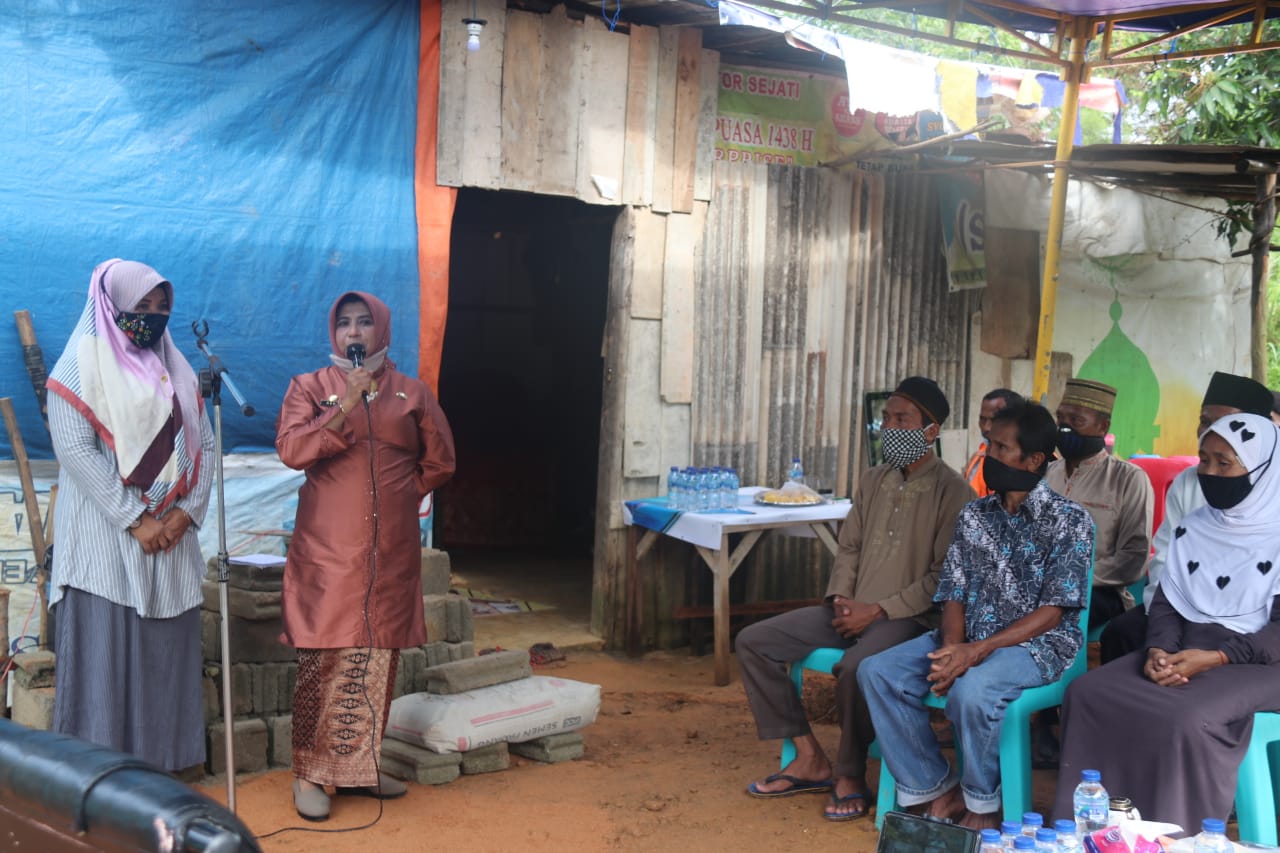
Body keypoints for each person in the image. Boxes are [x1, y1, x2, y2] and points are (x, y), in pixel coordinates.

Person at [738, 377, 973, 822]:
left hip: (909, 619)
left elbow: (943, 577)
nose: (889, 426)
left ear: (931, 430)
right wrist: (842, 598)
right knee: (754, 641)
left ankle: (849, 773)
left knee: (856, 668)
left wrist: (879, 611)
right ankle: (809, 757)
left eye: (902, 418)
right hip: (850, 609)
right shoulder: (872, 479)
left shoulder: (954, 491)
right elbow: (849, 546)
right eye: (887, 418)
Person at [859, 402, 1094, 831]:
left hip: (1036, 646)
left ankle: (983, 805)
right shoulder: (974, 515)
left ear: (1034, 459)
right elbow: (953, 592)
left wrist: (976, 651)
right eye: (989, 444)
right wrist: (952, 648)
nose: (989, 454)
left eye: (1001, 447)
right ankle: (935, 785)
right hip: (967, 637)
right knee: (878, 672)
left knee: (972, 690)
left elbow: (1053, 611)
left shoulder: (1070, 521)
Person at [1053, 413, 1280, 833]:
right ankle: (1097, 834)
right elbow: (1166, 603)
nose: (1208, 473)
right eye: (1204, 460)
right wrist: (1159, 648)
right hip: (1187, 648)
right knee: (1088, 694)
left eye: (1224, 463)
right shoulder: (1196, 526)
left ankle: (1174, 835)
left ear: (1264, 467)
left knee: (1187, 718)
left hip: (1262, 661)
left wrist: (1214, 658)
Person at [277, 292, 455, 821]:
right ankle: (309, 774)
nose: (353, 333)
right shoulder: (310, 388)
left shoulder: (411, 393)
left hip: (390, 550)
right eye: (344, 324)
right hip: (327, 552)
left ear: (381, 330)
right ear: (333, 333)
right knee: (323, 655)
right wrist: (349, 404)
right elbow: (292, 451)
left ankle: (360, 769)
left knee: (379, 654)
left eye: (363, 323)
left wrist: (402, 494)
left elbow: (441, 461)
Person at [45, 259, 214, 771]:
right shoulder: (78, 367)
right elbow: (76, 450)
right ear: (111, 304)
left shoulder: (175, 370)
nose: (153, 318)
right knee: (104, 670)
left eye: (162, 307)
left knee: (163, 665)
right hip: (106, 550)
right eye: (141, 306)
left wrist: (184, 514)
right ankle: (98, 790)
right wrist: (136, 521)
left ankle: (159, 781)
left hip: (170, 545)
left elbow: (204, 442)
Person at [1099, 371, 1273, 663]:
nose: (1211, 431)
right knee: (1122, 633)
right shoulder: (1188, 482)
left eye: (1227, 424)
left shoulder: (1273, 489)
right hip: (1179, 609)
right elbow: (1165, 558)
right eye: (1205, 421)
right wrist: (1168, 623)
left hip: (1249, 623)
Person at [1045, 378, 1153, 630]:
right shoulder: (1046, 473)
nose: (1064, 428)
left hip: (1099, 592)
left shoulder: (1128, 478)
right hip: (1040, 585)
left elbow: (1133, 559)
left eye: (1077, 421)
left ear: (1103, 427)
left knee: (1044, 618)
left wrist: (1070, 576)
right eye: (1061, 419)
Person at [962, 389, 1023, 497]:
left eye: (993, 420)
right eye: (982, 419)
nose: (986, 427)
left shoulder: (1029, 462)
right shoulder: (979, 456)